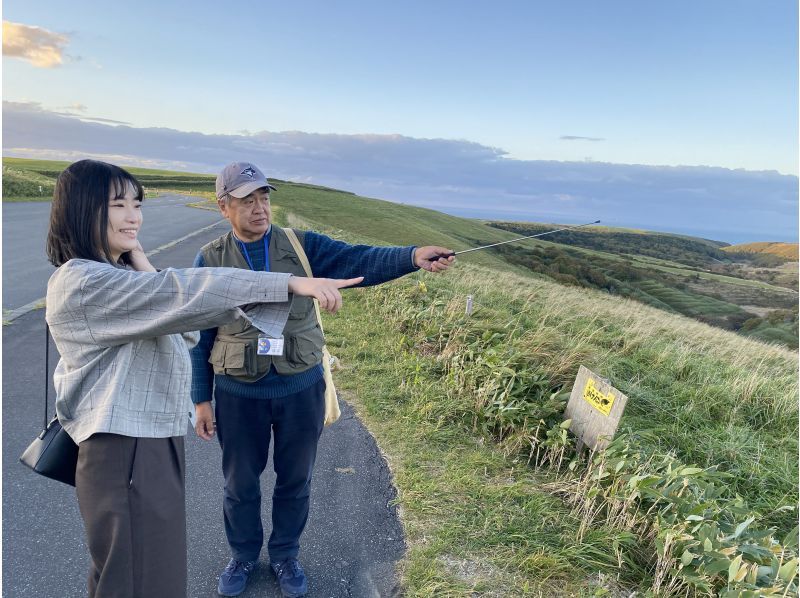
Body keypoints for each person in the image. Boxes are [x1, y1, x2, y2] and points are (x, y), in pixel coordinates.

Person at [44, 159, 362, 598]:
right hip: (124, 449)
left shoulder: (117, 276)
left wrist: (138, 261)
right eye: (118, 204)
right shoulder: (85, 282)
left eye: (137, 203)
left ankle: (285, 552)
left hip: (150, 441)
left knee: (142, 574)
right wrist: (286, 284)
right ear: (81, 210)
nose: (134, 215)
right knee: (140, 578)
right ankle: (245, 555)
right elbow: (183, 295)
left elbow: (184, 325)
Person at [190, 161, 454, 598]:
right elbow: (200, 336)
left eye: (264, 198)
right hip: (238, 393)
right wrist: (202, 399)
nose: (260, 209)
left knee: (296, 479)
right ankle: (242, 555)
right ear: (224, 207)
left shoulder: (300, 245)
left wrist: (411, 256)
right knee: (240, 483)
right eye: (247, 200)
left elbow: (358, 259)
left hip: (300, 388)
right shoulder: (211, 258)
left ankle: (285, 555)